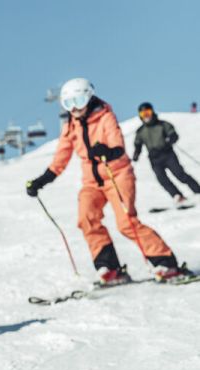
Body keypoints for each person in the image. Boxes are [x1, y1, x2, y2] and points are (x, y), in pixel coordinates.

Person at [26, 78, 187, 284]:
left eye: (80, 101)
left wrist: (107, 151)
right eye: (69, 104)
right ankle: (109, 267)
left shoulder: (105, 116)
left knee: (126, 223)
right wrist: (41, 181)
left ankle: (166, 263)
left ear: (89, 98)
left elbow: (117, 146)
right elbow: (61, 157)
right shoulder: (70, 126)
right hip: (92, 182)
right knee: (87, 219)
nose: (75, 108)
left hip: (117, 175)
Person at [133, 101, 200, 205]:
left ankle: (197, 190)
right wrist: (137, 153)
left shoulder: (163, 125)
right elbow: (138, 143)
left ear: (152, 112)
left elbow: (173, 134)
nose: (146, 116)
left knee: (180, 174)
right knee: (162, 179)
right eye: (143, 114)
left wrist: (171, 139)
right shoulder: (141, 131)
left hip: (167, 154)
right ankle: (177, 195)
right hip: (154, 158)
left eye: (148, 113)